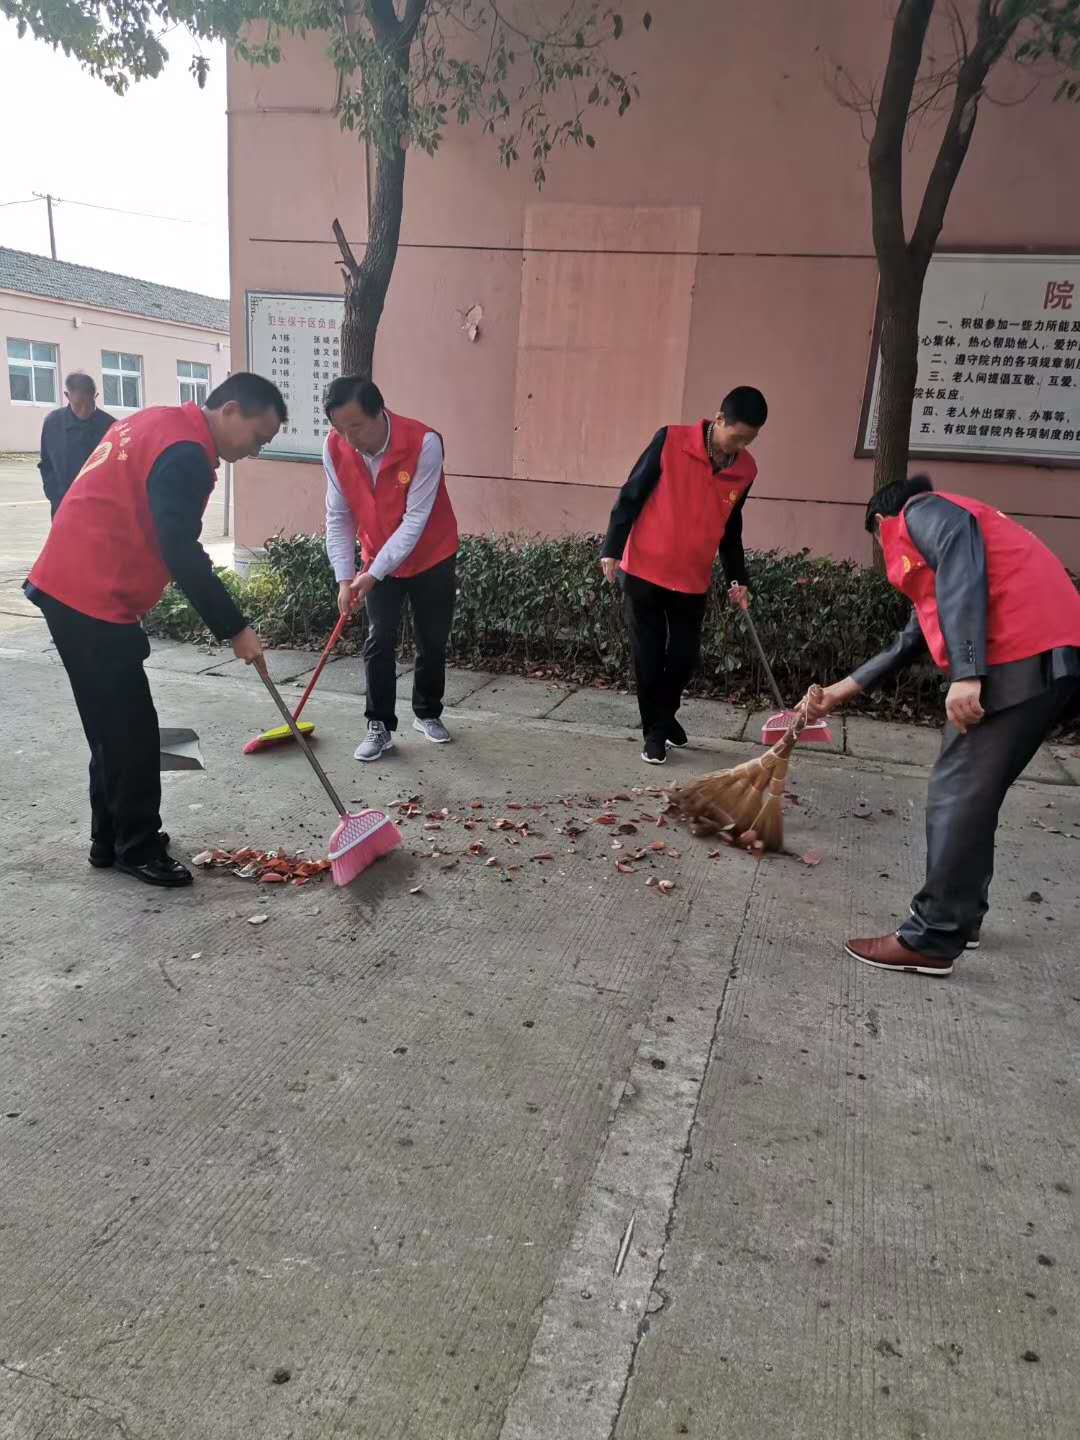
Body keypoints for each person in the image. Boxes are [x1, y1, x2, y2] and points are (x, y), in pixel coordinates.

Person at [804, 475, 1080, 977]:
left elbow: (957, 551)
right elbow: (910, 639)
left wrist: (967, 671)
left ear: (882, 522)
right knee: (975, 794)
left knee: (955, 789)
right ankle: (961, 916)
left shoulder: (924, 512)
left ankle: (931, 937)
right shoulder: (961, 530)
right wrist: (838, 692)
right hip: (1047, 653)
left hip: (1018, 652)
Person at [25, 373, 286, 888]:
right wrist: (235, 627)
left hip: (72, 586)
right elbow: (180, 549)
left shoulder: (158, 422)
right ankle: (137, 846)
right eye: (258, 437)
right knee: (132, 732)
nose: (254, 451)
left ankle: (110, 838)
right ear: (231, 410)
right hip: (90, 594)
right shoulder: (186, 452)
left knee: (111, 726)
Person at [600, 386, 768, 764]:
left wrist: (738, 578)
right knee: (649, 655)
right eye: (737, 437)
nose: (740, 447)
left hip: (692, 578)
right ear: (719, 419)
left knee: (683, 657)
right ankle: (655, 733)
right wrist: (612, 547)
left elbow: (731, 527)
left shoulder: (745, 470)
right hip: (645, 569)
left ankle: (664, 717)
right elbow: (632, 493)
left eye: (750, 440)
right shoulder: (670, 441)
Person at [322, 376, 459, 763]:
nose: (348, 438)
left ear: (378, 413)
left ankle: (427, 712)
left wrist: (373, 573)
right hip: (377, 555)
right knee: (378, 638)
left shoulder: (423, 443)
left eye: (355, 426)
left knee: (432, 639)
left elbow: (415, 521)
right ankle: (379, 725)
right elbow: (338, 517)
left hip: (432, 555)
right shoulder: (335, 448)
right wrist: (344, 578)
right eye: (339, 428)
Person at [39, 372, 115, 517]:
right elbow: (46, 464)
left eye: (90, 404)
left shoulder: (110, 426)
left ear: (96, 396)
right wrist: (56, 497)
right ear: (67, 396)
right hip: (62, 505)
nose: (84, 410)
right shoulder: (53, 423)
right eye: (78, 404)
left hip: (99, 507)